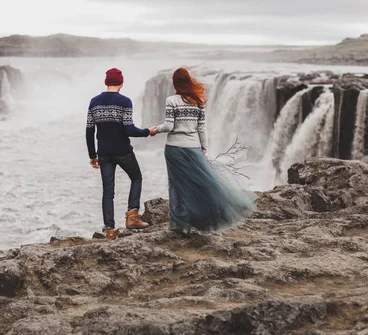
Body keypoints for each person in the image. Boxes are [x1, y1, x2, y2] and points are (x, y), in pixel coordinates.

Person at [150, 67, 254, 234]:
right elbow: (202, 128)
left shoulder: (172, 101)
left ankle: (178, 223)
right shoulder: (198, 101)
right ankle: (197, 220)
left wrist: (155, 129)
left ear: (175, 83)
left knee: (176, 185)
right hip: (193, 147)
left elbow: (169, 126)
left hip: (175, 149)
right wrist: (204, 150)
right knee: (196, 185)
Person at [86, 68, 156, 240]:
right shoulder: (125, 101)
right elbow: (129, 129)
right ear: (121, 83)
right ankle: (132, 216)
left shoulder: (94, 102)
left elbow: (89, 131)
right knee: (136, 177)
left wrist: (92, 156)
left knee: (108, 192)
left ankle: (110, 230)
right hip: (123, 151)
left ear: (106, 82)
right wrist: (148, 132)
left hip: (103, 153)